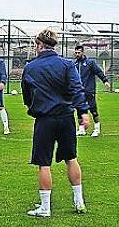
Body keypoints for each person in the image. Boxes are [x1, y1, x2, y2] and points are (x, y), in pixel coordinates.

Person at [22, 29, 88, 217]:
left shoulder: (31, 67)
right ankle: (79, 201)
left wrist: (33, 106)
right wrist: (83, 112)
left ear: (40, 45)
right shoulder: (67, 64)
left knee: (44, 163)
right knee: (71, 158)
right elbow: (77, 88)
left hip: (45, 118)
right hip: (66, 116)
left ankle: (45, 207)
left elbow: (27, 94)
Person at [73, 45, 111, 137]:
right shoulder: (75, 64)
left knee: (93, 110)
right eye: (76, 52)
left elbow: (99, 72)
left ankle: (97, 129)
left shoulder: (90, 63)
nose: (77, 54)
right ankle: (81, 129)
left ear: (83, 52)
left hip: (89, 90)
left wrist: (105, 81)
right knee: (79, 110)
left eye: (79, 52)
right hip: (78, 92)